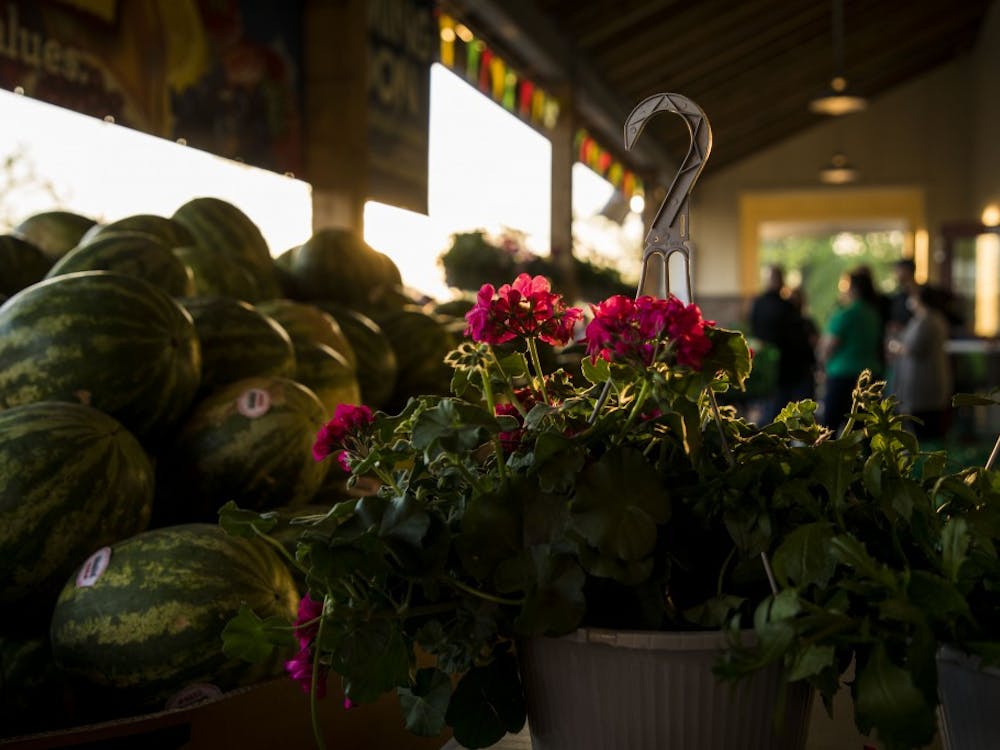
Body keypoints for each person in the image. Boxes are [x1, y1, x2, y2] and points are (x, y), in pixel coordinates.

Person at [748, 265, 816, 423]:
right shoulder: (785, 306)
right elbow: (798, 337)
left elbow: (754, 330)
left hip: (766, 365)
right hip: (789, 366)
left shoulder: (758, 304)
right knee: (783, 409)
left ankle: (767, 439)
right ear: (780, 281)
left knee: (771, 408)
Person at [819, 269, 884, 431]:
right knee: (864, 430)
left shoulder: (845, 314)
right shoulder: (873, 314)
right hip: (870, 375)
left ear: (853, 288)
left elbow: (827, 347)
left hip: (842, 376)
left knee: (830, 428)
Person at [887, 284, 953, 441]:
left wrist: (895, 346)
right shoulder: (923, 319)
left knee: (925, 432)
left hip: (923, 385)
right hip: (920, 385)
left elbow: (914, 347)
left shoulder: (927, 321)